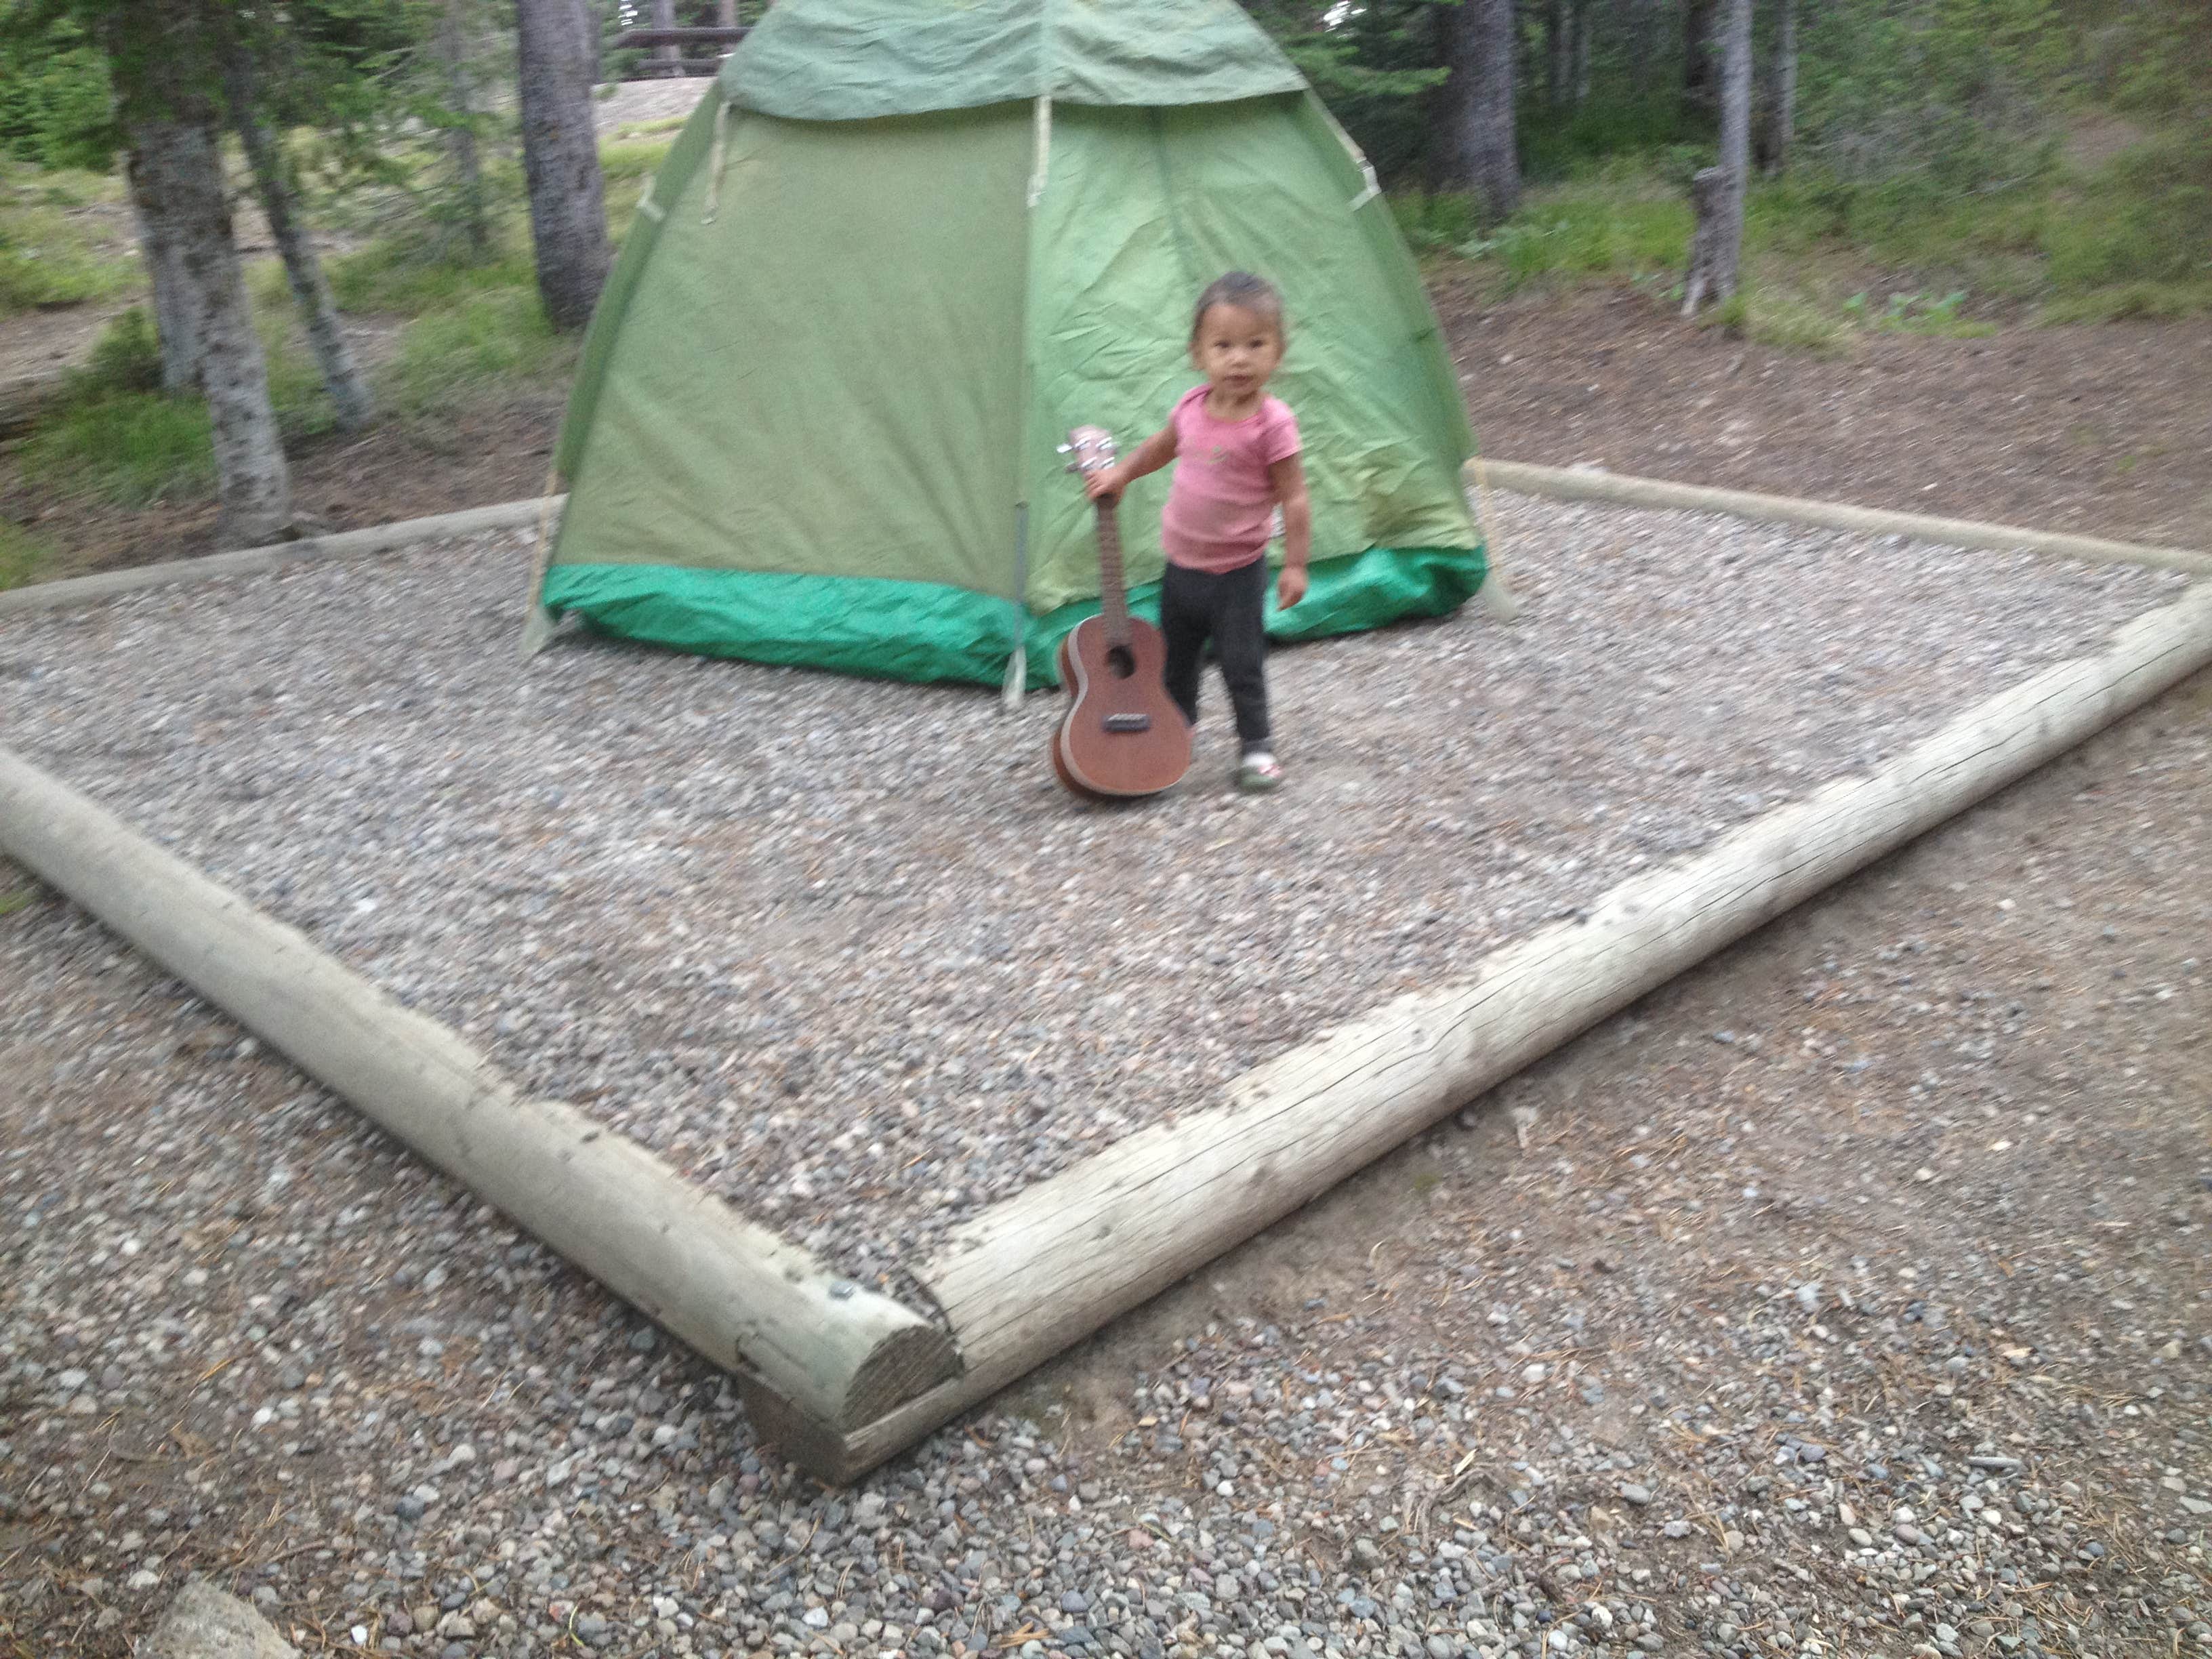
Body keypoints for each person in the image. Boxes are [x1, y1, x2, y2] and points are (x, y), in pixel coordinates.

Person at [1084, 271, 1310, 794]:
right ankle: (1173, 734)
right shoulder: (1190, 408)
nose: (1239, 358)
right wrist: (1119, 474)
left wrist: (1296, 563)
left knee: (1240, 662)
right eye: (1224, 345)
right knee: (1175, 662)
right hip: (1181, 566)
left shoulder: (1273, 424)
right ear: (1198, 353)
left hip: (1237, 572)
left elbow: (1295, 495)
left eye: (1256, 344)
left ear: (1278, 353)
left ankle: (1256, 746)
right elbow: (1160, 449)